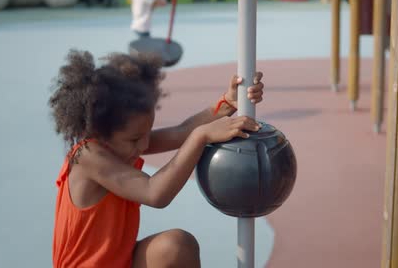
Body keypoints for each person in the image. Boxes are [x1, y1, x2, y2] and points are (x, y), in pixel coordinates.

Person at [50, 50, 265, 267]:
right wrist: (201, 137)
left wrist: (228, 102)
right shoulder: (88, 156)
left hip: (119, 261)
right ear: (98, 132)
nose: (144, 145)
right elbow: (155, 193)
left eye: (147, 133)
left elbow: (181, 131)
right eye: (135, 139)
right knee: (176, 244)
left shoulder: (119, 143)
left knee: (177, 246)